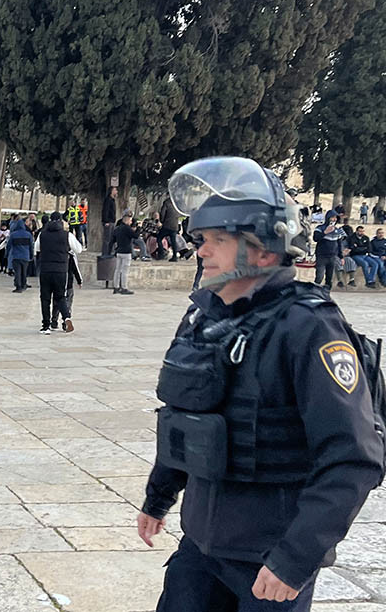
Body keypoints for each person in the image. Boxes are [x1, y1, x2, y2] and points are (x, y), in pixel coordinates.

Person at [138, 156, 383, 612]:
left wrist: (295, 559)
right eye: (199, 240)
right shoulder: (204, 316)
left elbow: (354, 457)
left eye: (216, 241)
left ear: (264, 251)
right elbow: (184, 417)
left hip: (269, 560)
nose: (200, 251)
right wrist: (159, 496)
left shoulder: (307, 327)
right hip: (201, 547)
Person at [35, 211, 74, 334]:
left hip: (46, 270)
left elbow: (36, 248)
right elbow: (77, 248)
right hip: (61, 270)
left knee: (45, 298)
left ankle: (46, 326)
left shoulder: (42, 234)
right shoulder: (66, 235)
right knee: (60, 296)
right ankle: (66, 317)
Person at [50, 224, 83, 330]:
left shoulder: (56, 253)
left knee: (56, 301)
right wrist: (79, 280)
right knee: (67, 302)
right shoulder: (71, 255)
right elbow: (75, 269)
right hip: (67, 282)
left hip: (57, 280)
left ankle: (54, 320)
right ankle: (66, 321)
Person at [313, 211, 345, 290]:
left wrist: (341, 257)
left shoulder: (338, 230)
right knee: (319, 277)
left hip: (332, 257)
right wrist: (325, 232)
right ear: (328, 218)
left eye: (335, 218)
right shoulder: (320, 228)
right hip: (322, 256)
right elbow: (315, 238)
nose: (334, 219)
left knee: (329, 278)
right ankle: (314, 292)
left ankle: (326, 293)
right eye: (332, 217)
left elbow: (339, 244)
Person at [111, 210, 137, 295]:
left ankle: (116, 287)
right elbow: (135, 236)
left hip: (119, 251)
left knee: (117, 270)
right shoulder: (127, 228)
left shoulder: (118, 228)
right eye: (130, 220)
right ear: (127, 220)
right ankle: (124, 287)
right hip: (126, 252)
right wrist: (138, 229)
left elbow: (113, 239)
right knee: (125, 270)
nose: (131, 222)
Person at [7, 218, 32, 292]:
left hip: (16, 256)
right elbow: (31, 246)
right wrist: (31, 255)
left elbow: (9, 246)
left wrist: (7, 254)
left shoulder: (13, 235)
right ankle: (24, 285)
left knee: (17, 272)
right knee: (24, 272)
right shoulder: (28, 234)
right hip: (25, 256)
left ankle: (18, 287)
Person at [158, 195, 181, 261]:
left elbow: (162, 213)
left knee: (159, 238)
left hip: (167, 225)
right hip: (175, 226)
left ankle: (161, 254)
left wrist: (162, 221)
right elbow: (179, 213)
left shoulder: (166, 203)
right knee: (173, 241)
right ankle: (174, 256)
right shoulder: (177, 204)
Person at [101, 186, 118, 257]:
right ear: (111, 191)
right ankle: (105, 254)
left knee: (111, 239)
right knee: (107, 239)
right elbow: (105, 211)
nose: (116, 191)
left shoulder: (112, 200)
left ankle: (110, 253)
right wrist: (106, 221)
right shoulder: (108, 200)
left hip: (112, 221)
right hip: (108, 222)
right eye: (115, 190)